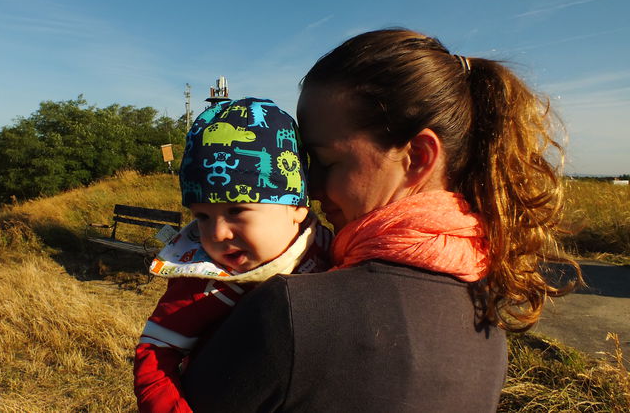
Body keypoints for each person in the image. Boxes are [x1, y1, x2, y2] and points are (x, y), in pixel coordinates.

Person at [180, 29, 582, 411]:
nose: (310, 189)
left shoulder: (290, 312)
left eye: (325, 162)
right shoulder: (486, 315)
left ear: (417, 158)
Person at [133, 97, 333, 413]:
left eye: (237, 210)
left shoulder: (324, 242)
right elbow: (155, 354)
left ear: (297, 207)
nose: (217, 234)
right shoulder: (206, 284)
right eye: (202, 217)